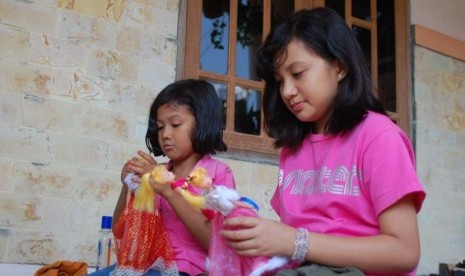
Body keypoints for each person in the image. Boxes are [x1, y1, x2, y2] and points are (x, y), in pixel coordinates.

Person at [220, 7, 426, 276]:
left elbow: (404, 252)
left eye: (298, 73)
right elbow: (296, 239)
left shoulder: (378, 136)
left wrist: (295, 242)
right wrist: (256, 231)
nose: (287, 91)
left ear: (339, 67)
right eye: (279, 80)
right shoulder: (293, 149)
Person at [90, 79, 236, 276]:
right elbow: (120, 230)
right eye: (160, 127)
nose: (165, 134)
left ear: (203, 122)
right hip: (146, 266)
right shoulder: (155, 173)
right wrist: (127, 186)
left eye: (175, 124)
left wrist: (167, 190)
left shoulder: (217, 173)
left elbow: (216, 242)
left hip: (189, 269)